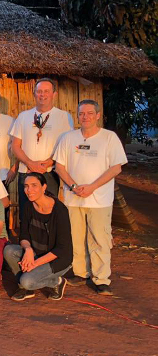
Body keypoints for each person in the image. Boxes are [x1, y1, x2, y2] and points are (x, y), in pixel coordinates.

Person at [54, 99, 127, 295]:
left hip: (99, 199)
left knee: (99, 239)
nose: (85, 117)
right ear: (77, 116)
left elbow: (116, 167)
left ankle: (101, 278)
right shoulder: (68, 138)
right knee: (76, 237)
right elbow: (59, 167)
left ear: (97, 115)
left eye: (89, 113)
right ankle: (80, 272)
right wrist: (75, 186)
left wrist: (93, 187)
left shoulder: (109, 138)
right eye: (81, 114)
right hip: (74, 197)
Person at [4, 173, 73, 301]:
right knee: (9, 250)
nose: (29, 190)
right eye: (26, 186)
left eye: (34, 185)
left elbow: (61, 248)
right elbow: (24, 234)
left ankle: (56, 282)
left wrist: (34, 264)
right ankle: (27, 289)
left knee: (27, 281)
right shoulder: (28, 205)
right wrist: (28, 250)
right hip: (36, 253)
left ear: (44, 187)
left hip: (56, 259)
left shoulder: (59, 210)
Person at [10, 77, 73, 197]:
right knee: (27, 212)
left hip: (49, 172)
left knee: (48, 210)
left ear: (54, 94)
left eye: (46, 91)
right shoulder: (23, 116)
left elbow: (66, 146)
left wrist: (48, 163)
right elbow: (15, 145)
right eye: (39, 91)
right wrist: (30, 163)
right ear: (34, 94)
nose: (42, 94)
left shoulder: (64, 117)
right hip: (26, 172)